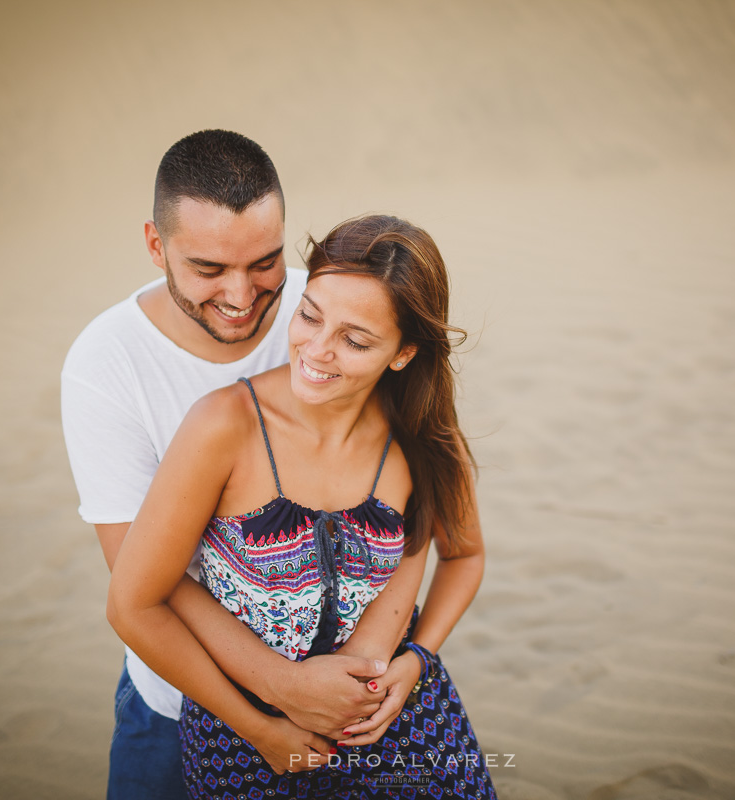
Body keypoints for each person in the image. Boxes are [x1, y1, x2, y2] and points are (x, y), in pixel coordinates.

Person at [61, 132, 484, 797]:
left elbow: (422, 524)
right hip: (185, 693)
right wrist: (279, 700)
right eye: (207, 268)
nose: (242, 295)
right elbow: (142, 587)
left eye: (264, 262)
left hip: (371, 712)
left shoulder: (325, 298)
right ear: (155, 245)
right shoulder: (107, 369)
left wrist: (401, 652)